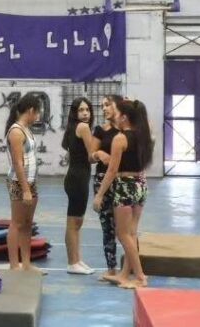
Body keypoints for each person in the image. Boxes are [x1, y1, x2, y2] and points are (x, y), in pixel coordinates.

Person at [93, 98, 154, 289]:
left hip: (125, 186)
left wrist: (99, 195)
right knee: (131, 233)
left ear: (125, 117)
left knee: (122, 233)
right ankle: (125, 274)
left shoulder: (120, 138)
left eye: (118, 113)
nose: (115, 116)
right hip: (140, 184)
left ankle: (140, 276)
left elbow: (112, 170)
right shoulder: (143, 135)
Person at [5, 94, 41, 272]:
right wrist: (25, 189)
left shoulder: (27, 129)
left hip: (31, 181)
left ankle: (26, 263)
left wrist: (30, 185)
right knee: (17, 223)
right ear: (31, 110)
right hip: (19, 182)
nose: (38, 117)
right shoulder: (16, 132)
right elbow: (18, 163)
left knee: (27, 223)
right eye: (38, 113)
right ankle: (14, 265)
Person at [89, 95, 123, 282]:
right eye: (102, 106)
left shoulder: (126, 130)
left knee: (125, 228)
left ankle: (132, 267)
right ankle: (111, 268)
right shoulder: (100, 130)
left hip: (122, 181)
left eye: (108, 105)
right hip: (102, 180)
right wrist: (98, 154)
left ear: (118, 106)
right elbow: (90, 156)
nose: (104, 109)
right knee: (107, 227)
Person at [61, 96, 95, 275]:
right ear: (75, 112)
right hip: (78, 179)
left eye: (87, 110)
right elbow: (92, 156)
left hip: (75, 177)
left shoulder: (74, 127)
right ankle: (72, 262)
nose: (85, 113)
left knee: (76, 222)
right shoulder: (83, 127)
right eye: (81, 110)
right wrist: (108, 153)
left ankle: (76, 259)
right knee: (74, 223)